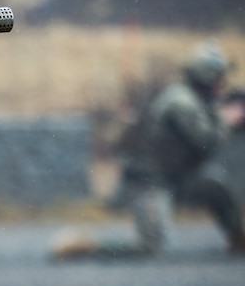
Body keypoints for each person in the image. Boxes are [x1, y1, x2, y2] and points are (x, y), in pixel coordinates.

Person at [53, 43, 245, 259]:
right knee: (150, 248)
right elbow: (205, 143)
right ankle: (84, 247)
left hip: (177, 178)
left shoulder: (194, 100)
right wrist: (226, 119)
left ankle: (238, 239)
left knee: (216, 187)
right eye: (219, 78)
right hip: (149, 182)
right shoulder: (180, 102)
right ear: (207, 77)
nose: (223, 84)